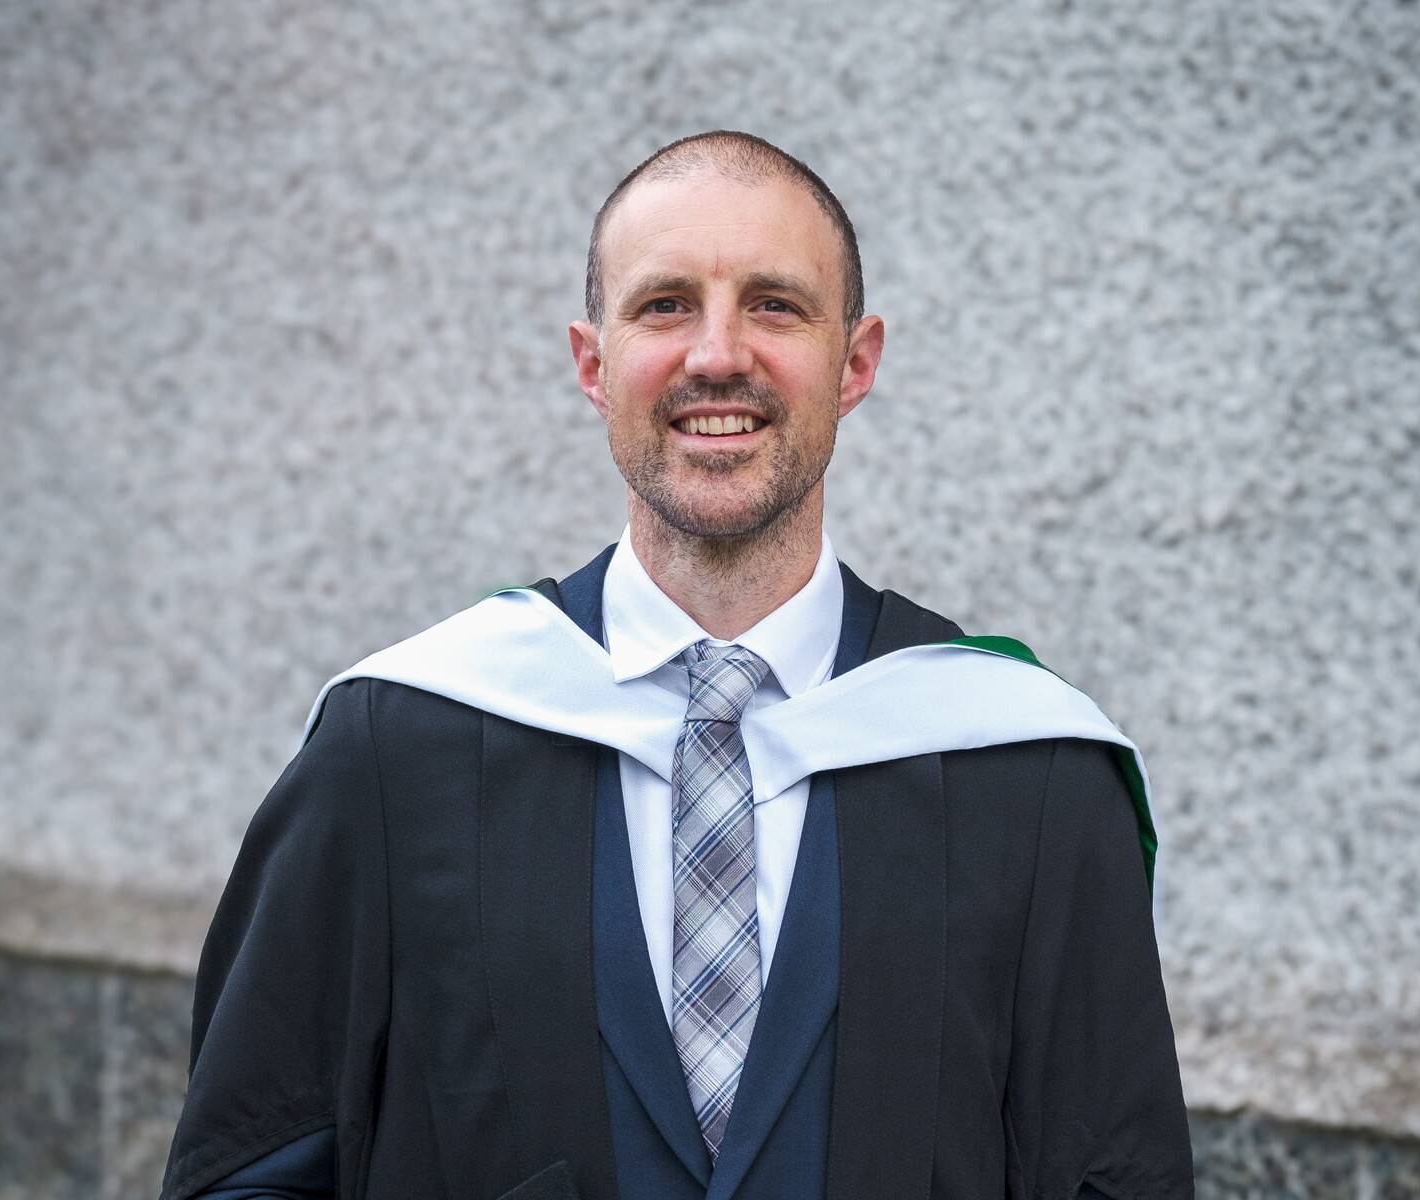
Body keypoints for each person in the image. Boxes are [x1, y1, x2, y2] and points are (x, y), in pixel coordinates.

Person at [160, 130, 1193, 1200]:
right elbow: (253, 1169)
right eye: (664, 306)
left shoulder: (1027, 776)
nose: (716, 356)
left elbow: (1112, 1180)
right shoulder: (394, 747)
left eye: (775, 305)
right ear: (592, 362)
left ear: (856, 362)